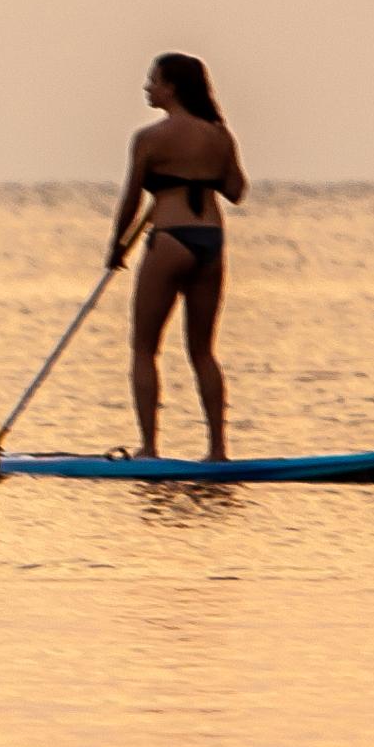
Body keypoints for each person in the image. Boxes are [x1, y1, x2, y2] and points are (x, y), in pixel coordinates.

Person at [110, 51, 245, 460]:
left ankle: (150, 448)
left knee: (144, 348)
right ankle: (218, 450)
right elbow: (236, 191)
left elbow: (131, 198)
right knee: (203, 351)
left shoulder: (150, 139)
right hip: (210, 240)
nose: (147, 87)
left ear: (172, 87)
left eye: (153, 80)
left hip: (169, 239)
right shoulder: (219, 135)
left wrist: (115, 247)